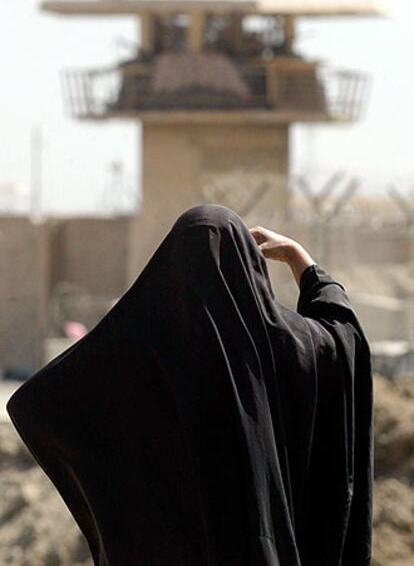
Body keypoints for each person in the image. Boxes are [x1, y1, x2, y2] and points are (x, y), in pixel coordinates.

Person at [6, 204, 373, 566]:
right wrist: (301, 261)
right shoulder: (289, 346)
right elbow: (343, 340)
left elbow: (36, 404)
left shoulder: (144, 359)